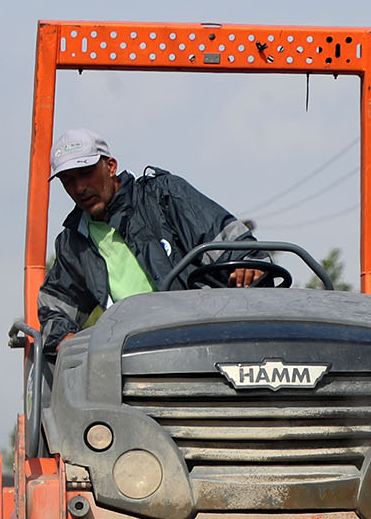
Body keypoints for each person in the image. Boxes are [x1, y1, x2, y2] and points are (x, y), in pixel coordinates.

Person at [36, 128, 269, 351]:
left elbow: (238, 250)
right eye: (67, 180)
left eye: (86, 173)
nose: (79, 188)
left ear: (110, 166)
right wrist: (63, 338)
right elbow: (54, 309)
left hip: (202, 341)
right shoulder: (74, 242)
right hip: (129, 360)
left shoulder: (163, 196)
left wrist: (247, 265)